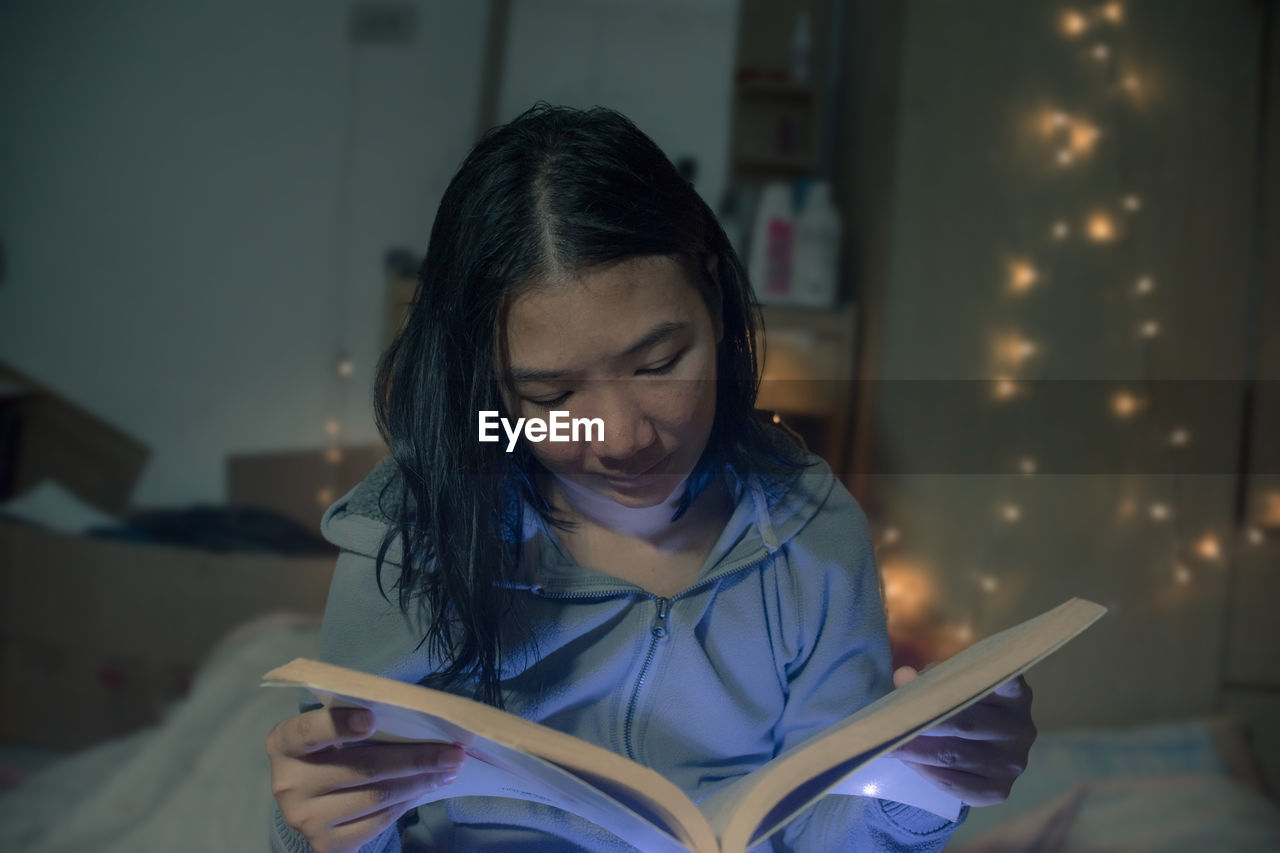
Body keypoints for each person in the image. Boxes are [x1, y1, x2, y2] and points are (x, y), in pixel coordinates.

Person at [266, 104, 1036, 853]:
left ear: (713, 292)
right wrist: (328, 832)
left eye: (661, 363)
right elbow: (339, 804)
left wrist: (924, 789)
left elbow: (828, 833)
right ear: (491, 386)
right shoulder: (412, 534)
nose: (624, 438)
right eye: (551, 396)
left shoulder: (811, 532)